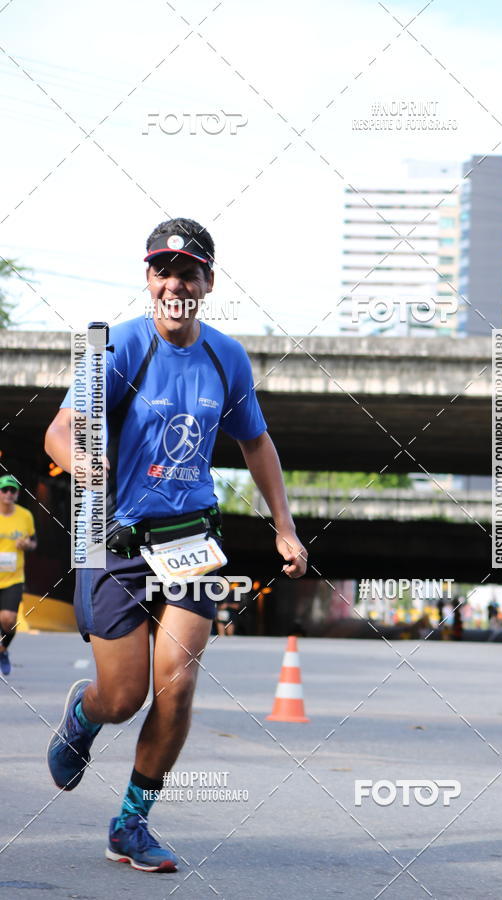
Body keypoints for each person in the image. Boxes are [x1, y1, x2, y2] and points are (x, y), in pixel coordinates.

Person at [44, 218, 307, 873]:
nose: (173, 284)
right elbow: (60, 430)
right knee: (125, 696)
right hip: (112, 536)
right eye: (162, 271)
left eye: (187, 273)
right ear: (148, 279)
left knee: (179, 684)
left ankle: (131, 823)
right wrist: (81, 463)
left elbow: (256, 441)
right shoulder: (116, 348)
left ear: (207, 283)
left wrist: (283, 524)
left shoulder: (227, 357)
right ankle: (86, 710)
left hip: (191, 536)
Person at [0, 473, 37, 676]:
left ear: (17, 494)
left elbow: (34, 542)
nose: (8, 493)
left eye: (12, 490)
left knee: (8, 619)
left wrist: (26, 544)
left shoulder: (25, 515)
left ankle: (3, 649)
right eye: (4, 490)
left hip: (13, 577)